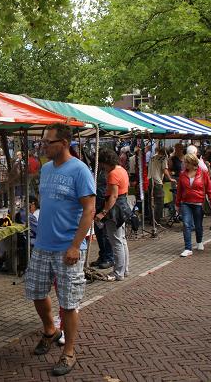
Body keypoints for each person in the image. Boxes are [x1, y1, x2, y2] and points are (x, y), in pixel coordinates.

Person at [25, 123, 95, 376]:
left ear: (64, 144)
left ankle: (69, 352)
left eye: (48, 142)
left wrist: (75, 245)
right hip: (43, 245)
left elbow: (89, 210)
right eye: (43, 142)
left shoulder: (80, 170)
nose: (43, 146)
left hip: (68, 248)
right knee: (36, 292)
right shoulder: (45, 169)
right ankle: (50, 331)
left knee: (68, 302)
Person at [96, 147, 131, 281]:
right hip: (122, 206)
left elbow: (113, 195)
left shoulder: (113, 174)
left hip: (115, 209)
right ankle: (124, 269)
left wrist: (103, 212)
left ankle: (118, 272)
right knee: (121, 240)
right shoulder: (122, 170)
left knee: (116, 241)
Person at [175, 153, 211, 257]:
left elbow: (209, 189)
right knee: (186, 224)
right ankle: (188, 248)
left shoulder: (203, 173)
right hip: (186, 203)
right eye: (184, 162)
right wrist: (177, 203)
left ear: (192, 163)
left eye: (186, 163)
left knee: (198, 225)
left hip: (198, 202)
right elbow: (179, 190)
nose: (184, 164)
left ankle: (199, 241)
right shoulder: (182, 174)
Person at [90, 167, 113, 269]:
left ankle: (109, 258)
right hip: (97, 206)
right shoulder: (96, 170)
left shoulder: (105, 173)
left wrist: (104, 211)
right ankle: (103, 256)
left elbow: (106, 193)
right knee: (99, 234)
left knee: (105, 234)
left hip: (102, 208)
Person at [148, 146, 175, 225]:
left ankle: (152, 219)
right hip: (157, 182)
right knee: (159, 201)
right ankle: (156, 220)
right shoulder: (163, 158)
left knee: (152, 201)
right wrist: (170, 178)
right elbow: (165, 170)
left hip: (150, 180)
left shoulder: (153, 157)